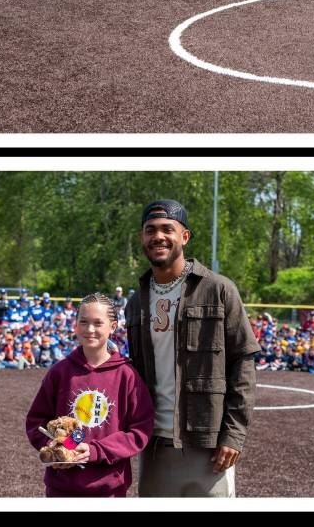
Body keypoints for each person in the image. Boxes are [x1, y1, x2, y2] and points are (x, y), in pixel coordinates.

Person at [125, 199, 260, 497]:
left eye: (167, 229)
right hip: (154, 444)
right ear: (142, 238)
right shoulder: (136, 302)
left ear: (184, 237)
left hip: (207, 444)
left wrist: (234, 434)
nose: (158, 236)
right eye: (150, 230)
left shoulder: (219, 289)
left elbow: (243, 362)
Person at [25, 292, 154, 496]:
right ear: (75, 324)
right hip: (62, 489)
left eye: (97, 323)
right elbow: (36, 421)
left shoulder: (127, 375)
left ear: (113, 326)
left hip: (109, 489)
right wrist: (56, 448)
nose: (90, 329)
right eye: (83, 322)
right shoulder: (60, 372)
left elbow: (140, 430)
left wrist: (95, 451)